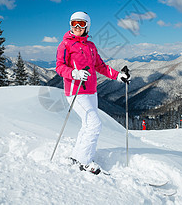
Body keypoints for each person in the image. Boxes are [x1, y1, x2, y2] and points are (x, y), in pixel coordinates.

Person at [56, 11, 130, 174]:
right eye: (74, 23)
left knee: (87, 125)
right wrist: (74, 73)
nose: (77, 27)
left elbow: (100, 66)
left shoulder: (90, 46)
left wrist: (118, 76)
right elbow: (59, 67)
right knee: (94, 124)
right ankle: (84, 161)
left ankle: (77, 156)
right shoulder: (65, 45)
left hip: (91, 91)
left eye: (81, 24)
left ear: (87, 26)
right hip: (75, 92)